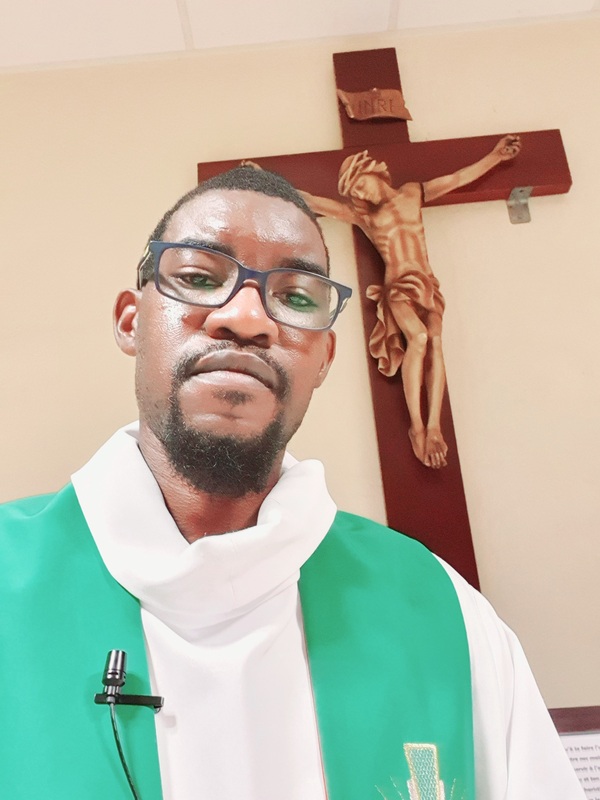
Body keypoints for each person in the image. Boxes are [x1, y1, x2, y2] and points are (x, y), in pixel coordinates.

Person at [0, 166, 583, 800]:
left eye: (298, 297)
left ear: (324, 358)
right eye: (199, 277)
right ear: (130, 322)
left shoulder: (445, 614)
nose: (247, 317)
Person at [292, 136, 521, 469]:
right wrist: (267, 180)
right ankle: (417, 426)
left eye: (361, 185)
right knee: (419, 337)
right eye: (355, 192)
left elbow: (457, 178)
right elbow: (315, 202)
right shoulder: (365, 216)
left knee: (436, 342)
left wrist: (496, 157)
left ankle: (434, 426)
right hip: (398, 287)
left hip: (427, 284)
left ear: (373, 172)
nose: (361, 194)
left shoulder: (413, 193)